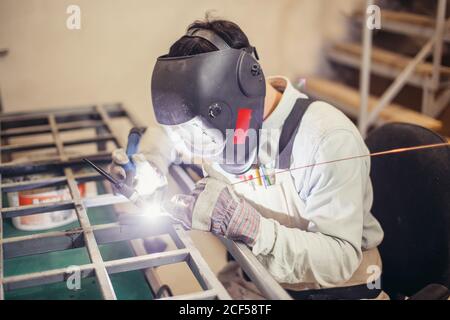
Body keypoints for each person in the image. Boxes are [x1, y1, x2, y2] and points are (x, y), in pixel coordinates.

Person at [110, 18, 387, 300]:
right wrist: (149, 161)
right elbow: (169, 138)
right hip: (257, 277)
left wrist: (253, 229)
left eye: (198, 131)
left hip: (336, 291)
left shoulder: (326, 138)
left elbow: (340, 259)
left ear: (234, 100)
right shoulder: (216, 121)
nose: (193, 144)